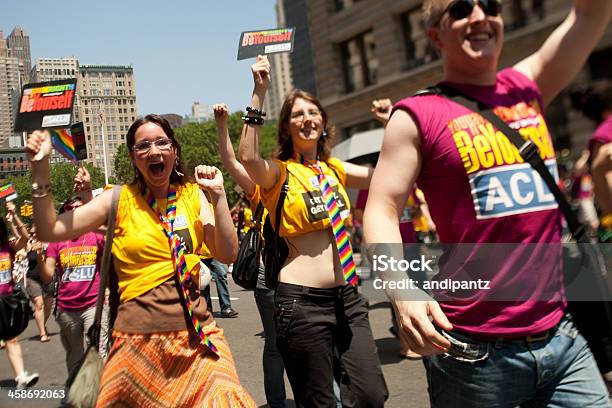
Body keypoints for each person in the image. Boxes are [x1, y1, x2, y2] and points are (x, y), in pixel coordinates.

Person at [364, 0, 612, 406]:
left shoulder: (526, 85)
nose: (479, 16)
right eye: (461, 9)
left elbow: (590, 15)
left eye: (490, 5)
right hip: (473, 355)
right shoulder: (414, 116)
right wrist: (401, 289)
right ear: (435, 36)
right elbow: (382, 209)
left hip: (562, 337)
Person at [26, 114, 255, 406]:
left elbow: (227, 254)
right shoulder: (118, 199)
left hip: (198, 340)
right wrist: (40, 170)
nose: (154, 151)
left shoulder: (192, 195)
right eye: (143, 146)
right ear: (134, 158)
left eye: (162, 142)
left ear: (174, 150)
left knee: (227, 400)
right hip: (136, 345)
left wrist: (219, 195)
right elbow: (51, 229)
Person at [238, 55, 388, 408]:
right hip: (301, 304)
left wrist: (390, 124)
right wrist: (259, 91)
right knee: (318, 402)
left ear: (323, 121)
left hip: (348, 298)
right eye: (297, 114)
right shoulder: (280, 173)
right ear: (287, 127)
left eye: (313, 112)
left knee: (370, 394)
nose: (307, 119)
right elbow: (246, 157)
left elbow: (390, 172)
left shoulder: (335, 169)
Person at [213, 102, 287, 407]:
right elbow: (231, 160)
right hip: (269, 275)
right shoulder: (261, 190)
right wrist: (221, 125)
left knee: (314, 343)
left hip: (309, 277)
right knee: (275, 346)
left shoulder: (311, 180)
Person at [39, 194, 108, 382]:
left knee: (99, 352)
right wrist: (38, 257)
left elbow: (107, 261)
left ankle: (100, 396)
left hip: (93, 304)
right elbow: (48, 276)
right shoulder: (57, 240)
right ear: (65, 213)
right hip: (67, 310)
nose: (76, 211)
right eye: (71, 208)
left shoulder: (96, 235)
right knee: (75, 358)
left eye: (80, 207)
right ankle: (76, 394)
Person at [1, 213, 39, 389]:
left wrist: (14, 216)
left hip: (6, 301)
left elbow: (24, 237)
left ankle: (21, 377)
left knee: (12, 339)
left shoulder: (7, 249)